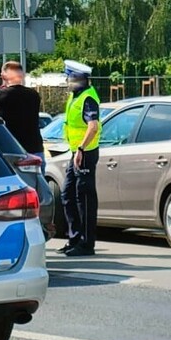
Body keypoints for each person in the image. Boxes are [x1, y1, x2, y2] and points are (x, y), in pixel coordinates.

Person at [59, 60, 101, 257]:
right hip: (76, 152)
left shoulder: (88, 98)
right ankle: (74, 238)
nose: (68, 81)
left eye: (70, 78)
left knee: (83, 198)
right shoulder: (75, 96)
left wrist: (82, 148)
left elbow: (93, 126)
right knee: (67, 194)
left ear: (78, 79)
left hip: (85, 152)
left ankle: (86, 244)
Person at [0, 60, 45, 161]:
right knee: (36, 177)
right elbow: (18, 109)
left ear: (3, 76)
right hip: (35, 149)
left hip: (11, 148)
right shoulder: (34, 95)